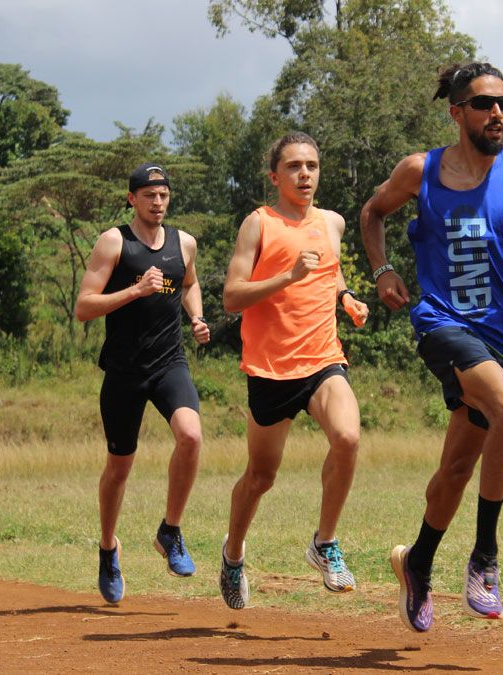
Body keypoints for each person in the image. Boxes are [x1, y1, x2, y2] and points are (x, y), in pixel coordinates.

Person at [360, 62, 503, 632]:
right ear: (457, 113)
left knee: (454, 471)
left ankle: (417, 562)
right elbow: (372, 212)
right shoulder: (420, 171)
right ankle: (484, 558)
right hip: (443, 323)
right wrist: (382, 271)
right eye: (483, 104)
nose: (497, 113)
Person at [218, 132, 370, 610]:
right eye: (294, 167)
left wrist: (346, 298)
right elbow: (231, 297)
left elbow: (330, 271)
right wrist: (287, 277)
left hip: (324, 358)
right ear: (275, 176)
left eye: (312, 165)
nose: (305, 174)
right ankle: (233, 552)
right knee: (261, 477)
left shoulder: (332, 223)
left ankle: (325, 544)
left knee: (347, 437)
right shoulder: (258, 224)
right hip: (270, 369)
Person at [75, 163, 211, 604]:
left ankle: (170, 531)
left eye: (164, 195)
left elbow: (189, 283)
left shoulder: (183, 242)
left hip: (170, 363)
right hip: (124, 372)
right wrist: (136, 290)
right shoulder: (114, 241)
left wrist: (196, 316)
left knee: (190, 436)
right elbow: (84, 307)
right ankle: (108, 547)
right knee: (119, 468)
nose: (158, 202)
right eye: (149, 195)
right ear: (132, 198)